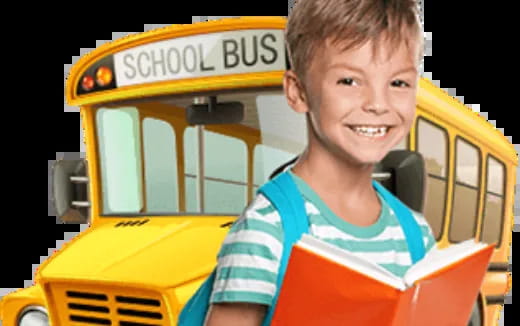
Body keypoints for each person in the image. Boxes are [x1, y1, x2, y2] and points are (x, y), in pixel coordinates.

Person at [204, 1, 436, 325]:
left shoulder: (416, 236)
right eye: (349, 81)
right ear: (298, 92)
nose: (378, 104)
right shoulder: (267, 232)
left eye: (398, 83)